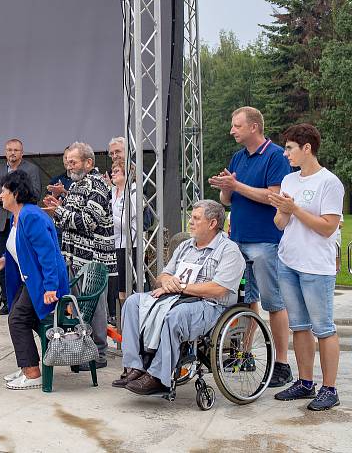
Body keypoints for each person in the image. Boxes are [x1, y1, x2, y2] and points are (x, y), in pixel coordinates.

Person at [112, 200, 245, 395]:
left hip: (209, 305)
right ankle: (135, 367)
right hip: (174, 297)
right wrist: (167, 282)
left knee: (174, 315)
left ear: (212, 223)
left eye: (196, 218)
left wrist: (182, 288)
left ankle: (158, 377)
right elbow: (163, 276)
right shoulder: (185, 246)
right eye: (191, 217)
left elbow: (219, 289)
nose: (190, 222)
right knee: (133, 302)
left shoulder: (229, 250)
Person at [207, 106, 294, 387]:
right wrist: (226, 186)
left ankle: (281, 363)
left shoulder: (275, 156)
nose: (232, 130)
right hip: (239, 240)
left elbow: (274, 197)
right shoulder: (238, 156)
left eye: (237, 126)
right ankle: (244, 353)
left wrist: (237, 184)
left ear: (254, 127)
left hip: (266, 242)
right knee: (245, 300)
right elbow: (228, 200)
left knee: (274, 303)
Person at [268, 124, 344, 411]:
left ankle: (330, 388)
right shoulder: (289, 180)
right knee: (299, 326)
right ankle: (305, 382)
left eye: (289, 148)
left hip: (316, 266)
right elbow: (279, 223)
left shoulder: (329, 183)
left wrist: (295, 209)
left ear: (306, 148)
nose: (285, 153)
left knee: (323, 328)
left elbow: (328, 227)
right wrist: (283, 212)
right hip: (288, 262)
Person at [0, 170, 69, 390]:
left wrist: (51, 287)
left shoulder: (31, 216)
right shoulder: (17, 216)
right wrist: (2, 262)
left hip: (43, 283)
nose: (0, 196)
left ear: (16, 193)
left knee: (17, 320)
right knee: (18, 317)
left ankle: (32, 373)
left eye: (4, 191)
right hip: (31, 281)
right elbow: (21, 250)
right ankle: (26, 367)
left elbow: (48, 254)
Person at [42, 142, 115, 368]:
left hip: (94, 261)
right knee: (80, 308)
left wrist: (59, 211)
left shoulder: (98, 187)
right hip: (75, 258)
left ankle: (99, 354)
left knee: (95, 308)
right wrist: (57, 208)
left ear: (88, 162)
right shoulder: (75, 185)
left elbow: (87, 222)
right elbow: (71, 219)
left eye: (73, 162)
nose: (68, 167)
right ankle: (85, 350)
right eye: (67, 163)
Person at [0, 138, 42, 315]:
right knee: (3, 262)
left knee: (22, 261)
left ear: (22, 153)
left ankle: (23, 301)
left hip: (21, 220)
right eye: (9, 150)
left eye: (16, 150)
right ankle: (7, 300)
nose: (12, 153)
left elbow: (36, 193)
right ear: (5, 152)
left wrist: (14, 198)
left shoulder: (31, 169)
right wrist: (0, 197)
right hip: (3, 222)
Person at [109, 160, 138, 324]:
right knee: (118, 289)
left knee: (128, 288)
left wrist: (107, 218)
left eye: (117, 171)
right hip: (114, 245)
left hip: (130, 245)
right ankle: (121, 320)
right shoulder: (112, 191)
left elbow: (127, 222)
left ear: (128, 174)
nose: (113, 173)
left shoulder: (134, 192)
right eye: (113, 170)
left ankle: (130, 321)